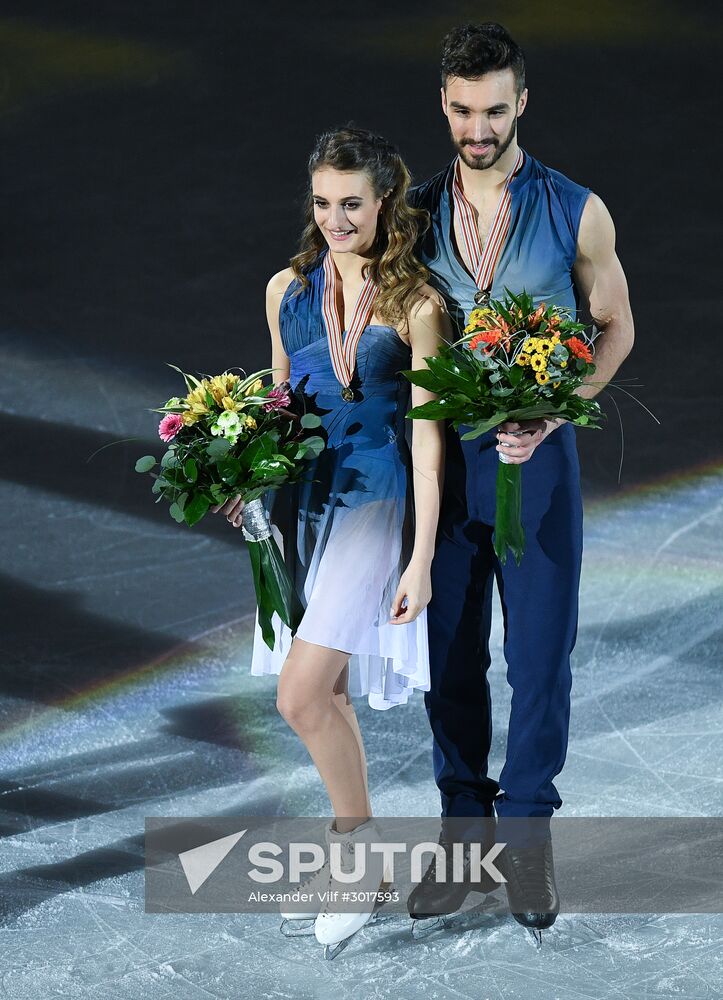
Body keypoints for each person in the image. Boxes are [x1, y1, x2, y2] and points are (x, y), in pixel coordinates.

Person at [405, 23, 635, 940]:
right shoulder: (411, 214)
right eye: (462, 109)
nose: (476, 127)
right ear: (446, 105)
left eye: (493, 109)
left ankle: (529, 840)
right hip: (442, 470)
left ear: (521, 105)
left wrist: (559, 406)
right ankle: (465, 836)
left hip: (537, 468)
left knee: (538, 658)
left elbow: (613, 329)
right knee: (448, 662)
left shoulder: (576, 209)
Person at [211, 126, 449, 955]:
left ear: (385, 200)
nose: (336, 218)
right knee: (327, 694)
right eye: (323, 202)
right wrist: (242, 476)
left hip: (373, 501)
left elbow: (428, 437)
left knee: (299, 695)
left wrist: (418, 555)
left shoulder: (416, 305)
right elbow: (278, 399)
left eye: (352, 202)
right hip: (303, 500)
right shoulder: (287, 288)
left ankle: (359, 859)